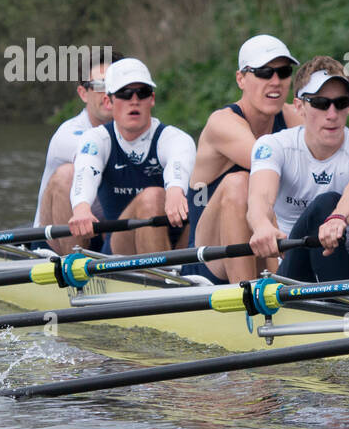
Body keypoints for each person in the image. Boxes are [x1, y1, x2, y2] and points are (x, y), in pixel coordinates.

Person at [247, 56, 349, 282]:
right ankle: (339, 304)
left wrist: (338, 217)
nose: (332, 114)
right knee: (324, 205)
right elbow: (260, 196)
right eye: (321, 104)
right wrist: (262, 226)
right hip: (299, 272)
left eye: (341, 103)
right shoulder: (273, 146)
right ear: (299, 107)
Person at [183, 34, 301, 283]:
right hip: (208, 260)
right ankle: (245, 295)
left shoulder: (291, 116)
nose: (276, 81)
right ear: (241, 79)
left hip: (266, 243)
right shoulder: (222, 123)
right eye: (264, 73)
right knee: (240, 182)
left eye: (283, 72)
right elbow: (266, 161)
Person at [68, 57, 196, 254]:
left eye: (142, 93)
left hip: (179, 243)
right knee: (151, 197)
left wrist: (175, 190)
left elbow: (179, 163)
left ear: (152, 99)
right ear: (108, 101)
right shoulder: (96, 139)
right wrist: (81, 208)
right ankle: (162, 277)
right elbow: (85, 172)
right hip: (120, 245)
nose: (134, 100)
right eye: (125, 94)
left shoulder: (175, 138)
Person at [34, 50, 121, 254]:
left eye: (115, 85)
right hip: (54, 241)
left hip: (105, 233)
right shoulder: (68, 134)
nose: (108, 94)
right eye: (100, 86)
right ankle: (73, 265)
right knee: (67, 173)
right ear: (83, 93)